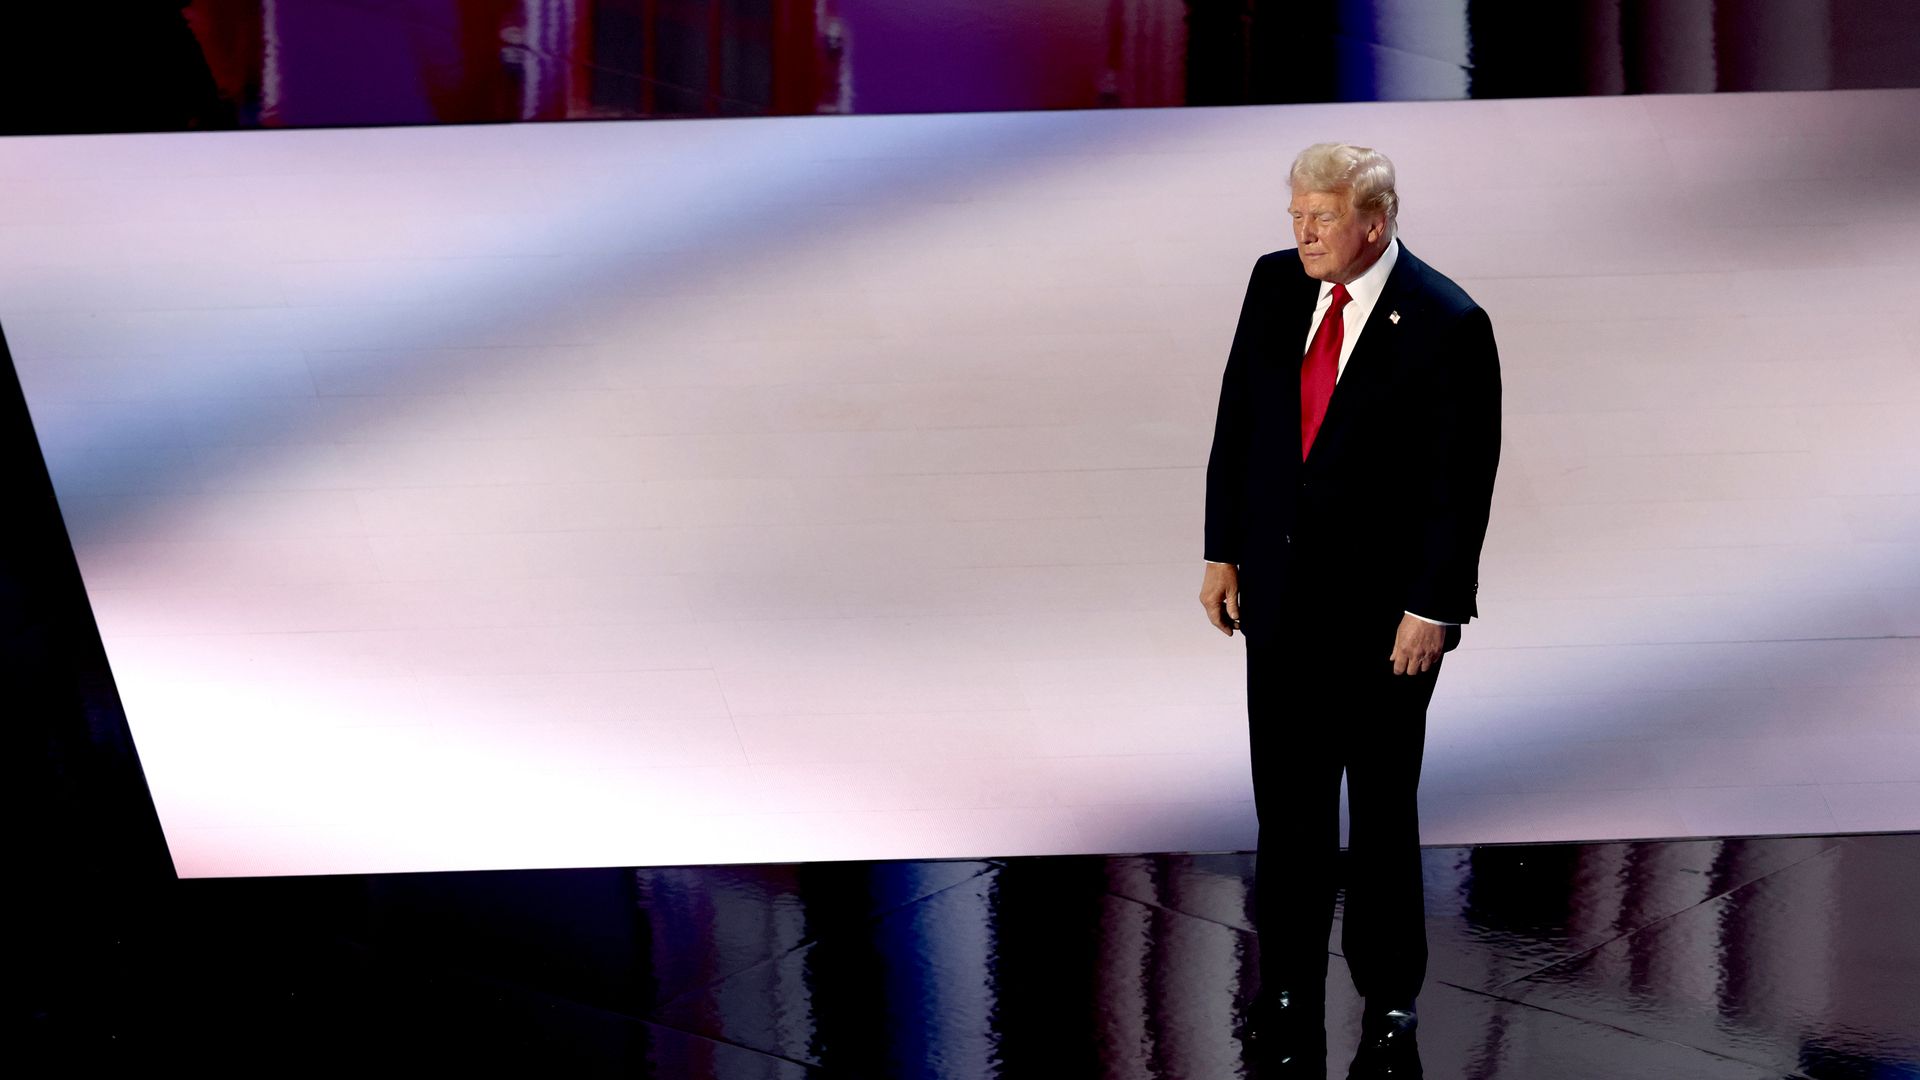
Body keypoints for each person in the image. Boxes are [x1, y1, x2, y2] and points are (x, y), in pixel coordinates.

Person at [1199, 143, 1500, 1078]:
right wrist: (1222, 549)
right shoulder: (1275, 283)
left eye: (1321, 218)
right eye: (1295, 216)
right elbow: (1240, 420)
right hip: (1282, 605)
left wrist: (1435, 607)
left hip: (1385, 627)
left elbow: (1463, 482)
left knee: (1378, 815)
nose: (1303, 234)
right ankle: (1286, 982)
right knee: (1286, 809)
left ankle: (1391, 996)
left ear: (1375, 219)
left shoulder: (1448, 322)